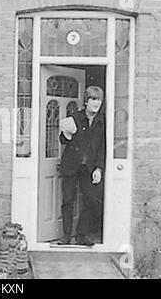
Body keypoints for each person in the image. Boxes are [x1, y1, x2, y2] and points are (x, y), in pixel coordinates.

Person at [57, 86, 106, 247]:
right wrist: (66, 133)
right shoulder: (75, 117)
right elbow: (63, 141)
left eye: (98, 99)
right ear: (86, 101)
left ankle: (81, 234)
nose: (96, 103)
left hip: (89, 168)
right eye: (93, 99)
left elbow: (102, 147)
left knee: (91, 200)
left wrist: (99, 168)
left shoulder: (102, 122)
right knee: (68, 200)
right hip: (71, 165)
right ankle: (66, 235)